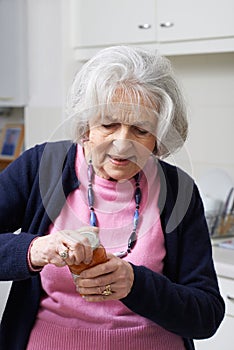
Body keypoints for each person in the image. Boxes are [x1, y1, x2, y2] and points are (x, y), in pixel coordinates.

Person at [0, 46, 224, 350]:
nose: (122, 144)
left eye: (140, 130)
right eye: (108, 124)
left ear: (159, 138)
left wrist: (135, 283)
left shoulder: (177, 190)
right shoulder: (42, 166)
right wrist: (34, 249)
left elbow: (206, 315)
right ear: (86, 125)